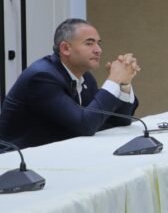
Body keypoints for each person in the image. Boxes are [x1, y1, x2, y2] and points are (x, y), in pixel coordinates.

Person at [0, 18, 141, 149]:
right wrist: (114, 80)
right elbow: (85, 125)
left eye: (98, 43)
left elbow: (119, 121)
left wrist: (124, 84)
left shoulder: (86, 78)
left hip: (58, 152)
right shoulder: (42, 78)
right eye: (89, 43)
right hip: (18, 160)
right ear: (65, 49)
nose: (98, 50)